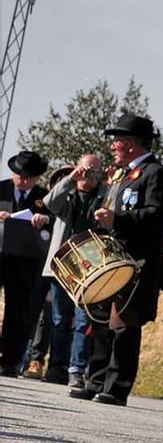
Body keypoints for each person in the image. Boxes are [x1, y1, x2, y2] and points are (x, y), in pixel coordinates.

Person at [73, 114, 163, 406]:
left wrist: (119, 218)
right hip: (111, 259)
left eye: (117, 140)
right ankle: (97, 380)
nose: (113, 146)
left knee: (125, 324)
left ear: (131, 143)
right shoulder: (121, 174)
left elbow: (156, 215)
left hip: (135, 261)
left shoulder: (155, 174)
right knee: (103, 322)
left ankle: (117, 387)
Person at [38, 153, 104, 388]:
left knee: (83, 319)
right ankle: (56, 367)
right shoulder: (67, 195)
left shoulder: (104, 197)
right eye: (86, 169)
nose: (89, 174)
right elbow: (49, 203)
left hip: (90, 267)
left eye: (94, 170)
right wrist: (71, 178)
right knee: (59, 319)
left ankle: (76, 369)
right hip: (62, 265)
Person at [1, 149, 51, 375]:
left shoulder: (44, 197)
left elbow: (55, 222)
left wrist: (45, 219)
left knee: (18, 311)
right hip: (0, 253)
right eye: (20, 175)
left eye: (29, 177)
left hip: (25, 261)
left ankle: (10, 361)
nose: (23, 181)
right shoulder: (1, 189)